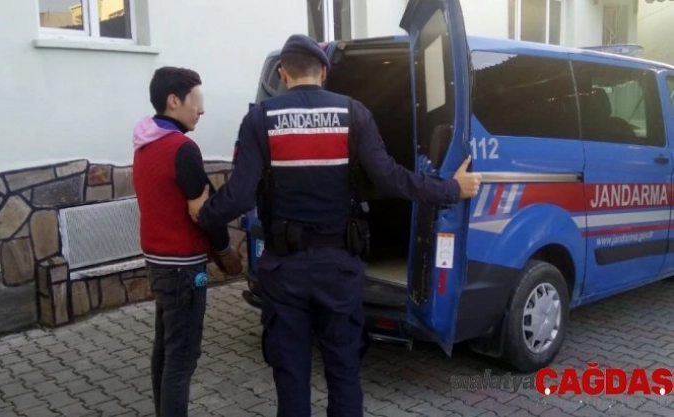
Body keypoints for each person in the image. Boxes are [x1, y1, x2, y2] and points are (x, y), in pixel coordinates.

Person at [192, 34, 481, 417]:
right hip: (339, 268)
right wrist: (451, 188)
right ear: (324, 72)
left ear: (283, 74)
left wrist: (204, 214)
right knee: (344, 374)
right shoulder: (353, 113)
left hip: (284, 270)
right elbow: (391, 178)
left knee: (291, 375)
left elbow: (240, 195)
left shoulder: (260, 119)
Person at [132, 66, 242, 417]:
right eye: (197, 100)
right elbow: (203, 211)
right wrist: (225, 251)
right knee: (181, 357)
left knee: (166, 350)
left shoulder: (144, 142)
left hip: (159, 262)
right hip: (183, 267)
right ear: (173, 101)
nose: (202, 109)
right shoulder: (181, 148)